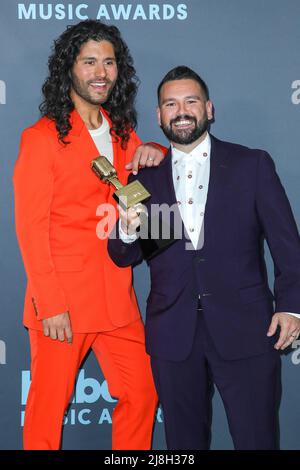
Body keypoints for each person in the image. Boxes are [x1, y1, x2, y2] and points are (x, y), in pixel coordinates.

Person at [108, 66, 300, 450]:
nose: (182, 110)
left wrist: (292, 308)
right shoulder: (144, 180)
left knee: (257, 439)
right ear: (160, 116)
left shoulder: (251, 165)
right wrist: (129, 228)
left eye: (191, 101)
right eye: (171, 104)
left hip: (247, 329)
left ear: (209, 109)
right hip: (173, 336)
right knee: (183, 444)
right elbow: (125, 254)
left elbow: (287, 245)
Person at [13, 20, 165, 450]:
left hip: (117, 298)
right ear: (70, 70)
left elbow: (139, 186)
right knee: (47, 409)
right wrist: (51, 304)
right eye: (90, 61)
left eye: (109, 62)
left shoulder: (122, 132)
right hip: (63, 303)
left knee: (143, 392)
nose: (101, 72)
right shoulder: (40, 139)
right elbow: (29, 227)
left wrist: (155, 148)